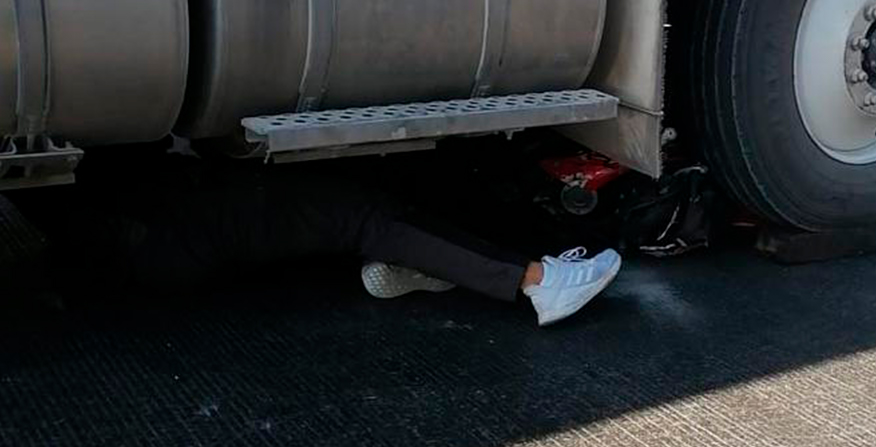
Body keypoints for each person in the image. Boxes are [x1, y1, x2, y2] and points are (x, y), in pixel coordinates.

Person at [32, 148, 622, 327]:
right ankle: (537, 283)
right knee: (361, 213)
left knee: (349, 207)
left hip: (150, 246)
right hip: (179, 222)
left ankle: (425, 269)